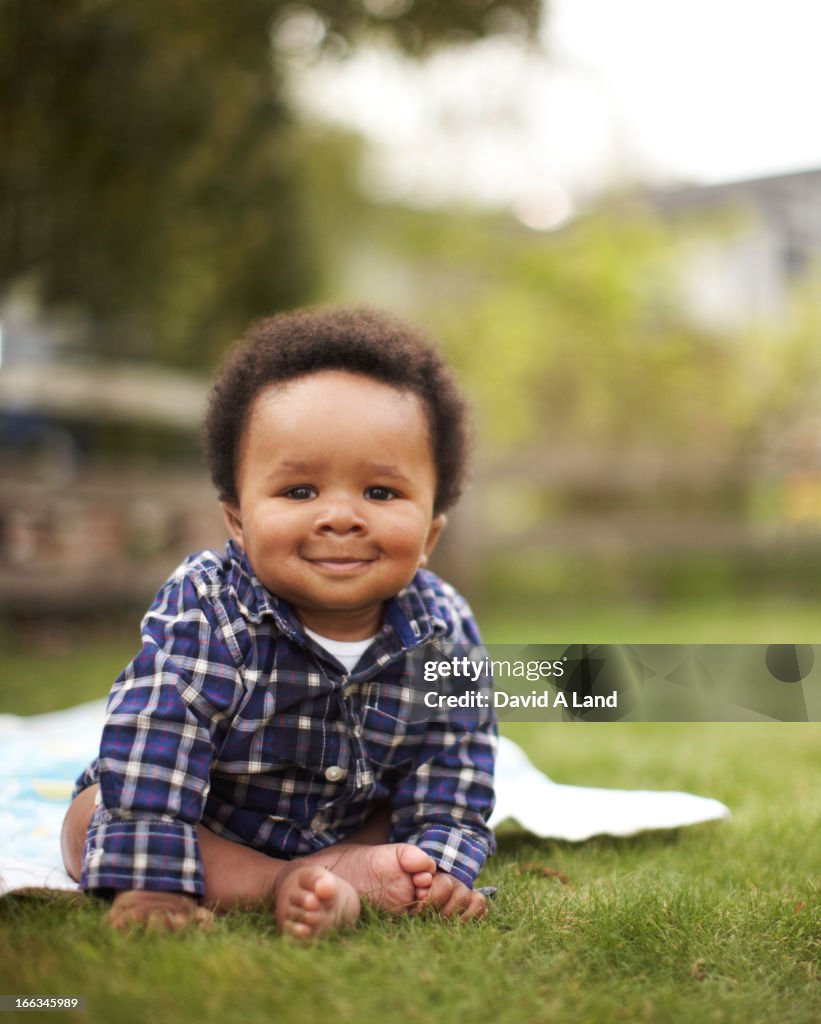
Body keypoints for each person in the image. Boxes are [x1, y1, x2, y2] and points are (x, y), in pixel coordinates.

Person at [61, 307, 496, 939]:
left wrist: (445, 865)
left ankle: (341, 871)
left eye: (380, 493)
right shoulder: (208, 605)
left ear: (429, 535)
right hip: (210, 823)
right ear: (237, 522)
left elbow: (457, 763)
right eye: (299, 492)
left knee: (405, 846)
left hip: (346, 819)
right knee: (90, 819)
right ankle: (281, 881)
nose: (341, 517)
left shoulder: (445, 627)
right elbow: (159, 737)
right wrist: (154, 882)